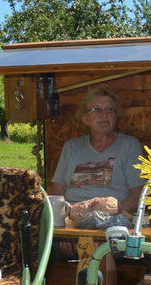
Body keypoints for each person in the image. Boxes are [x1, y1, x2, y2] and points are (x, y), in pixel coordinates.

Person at [50, 87, 145, 216]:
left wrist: (109, 216)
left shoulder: (129, 146)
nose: (104, 115)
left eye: (109, 109)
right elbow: (57, 194)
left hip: (114, 220)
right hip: (72, 219)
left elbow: (138, 196)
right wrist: (70, 215)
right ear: (84, 118)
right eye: (96, 109)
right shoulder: (71, 147)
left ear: (116, 116)